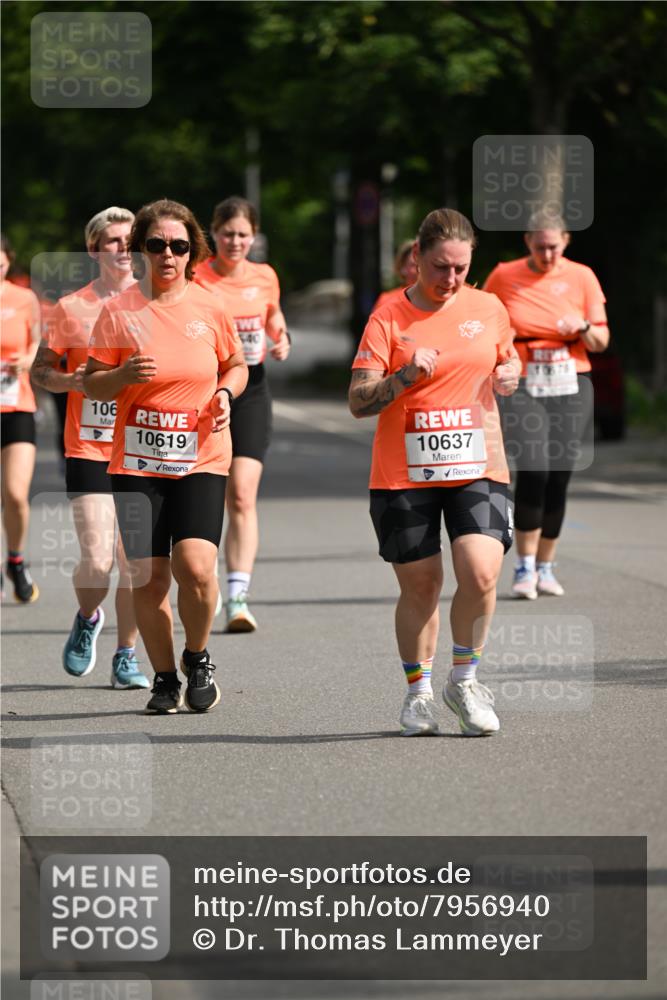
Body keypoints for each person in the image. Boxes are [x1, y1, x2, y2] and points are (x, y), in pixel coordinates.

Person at [349, 208, 520, 737]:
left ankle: (464, 681)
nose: (450, 279)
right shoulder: (388, 318)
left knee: (482, 571)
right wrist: (403, 375)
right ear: (417, 260)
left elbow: (505, 360)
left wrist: (511, 371)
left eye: (460, 268)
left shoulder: (489, 308)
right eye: (440, 267)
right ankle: (418, 692)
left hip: (477, 462)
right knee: (422, 585)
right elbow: (358, 401)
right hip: (404, 471)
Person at [83, 199, 248, 715]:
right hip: (136, 461)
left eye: (178, 245)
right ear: (142, 251)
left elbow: (236, 364)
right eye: (156, 245)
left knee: (197, 568)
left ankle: (197, 657)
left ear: (192, 250)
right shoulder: (119, 311)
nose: (168, 254)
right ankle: (162, 679)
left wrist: (225, 394)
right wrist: (121, 377)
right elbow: (91, 385)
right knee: (148, 578)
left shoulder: (210, 306)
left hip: (201, 455)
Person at [31, 206, 149, 689]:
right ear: (94, 249)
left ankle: (127, 655)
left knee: (135, 562)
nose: (123, 248)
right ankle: (87, 617)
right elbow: (40, 372)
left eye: (130, 240)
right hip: (90, 446)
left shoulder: (154, 304)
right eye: (114, 241)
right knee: (99, 560)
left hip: (144, 447)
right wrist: (70, 380)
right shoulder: (70, 308)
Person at [483, 213, 609, 599]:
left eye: (554, 245)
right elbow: (481, 318)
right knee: (534, 469)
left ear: (566, 241)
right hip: (524, 384)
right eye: (540, 246)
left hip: (571, 382)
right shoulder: (504, 275)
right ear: (527, 242)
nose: (548, 253)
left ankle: (546, 566)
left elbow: (602, 341)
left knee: (559, 474)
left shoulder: (582, 276)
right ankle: (523, 566)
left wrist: (584, 327)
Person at [194, 196, 290, 632]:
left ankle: (238, 597)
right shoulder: (197, 276)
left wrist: (281, 336)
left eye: (243, 234)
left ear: (255, 236)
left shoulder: (265, 276)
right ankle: (204, 576)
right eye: (228, 233)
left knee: (242, 494)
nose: (235, 241)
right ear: (214, 233)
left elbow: (273, 317)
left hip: (250, 389)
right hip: (202, 392)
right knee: (208, 492)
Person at [1, 233, 41, 603]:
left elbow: (36, 344)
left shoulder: (24, 299)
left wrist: (26, 360)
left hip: (17, 407)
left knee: (14, 493)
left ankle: (15, 559)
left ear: (8, 260)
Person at [371, 238, 418, 313]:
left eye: (423, 264)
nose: (419, 269)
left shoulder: (438, 301)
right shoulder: (387, 301)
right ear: (402, 268)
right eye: (414, 265)